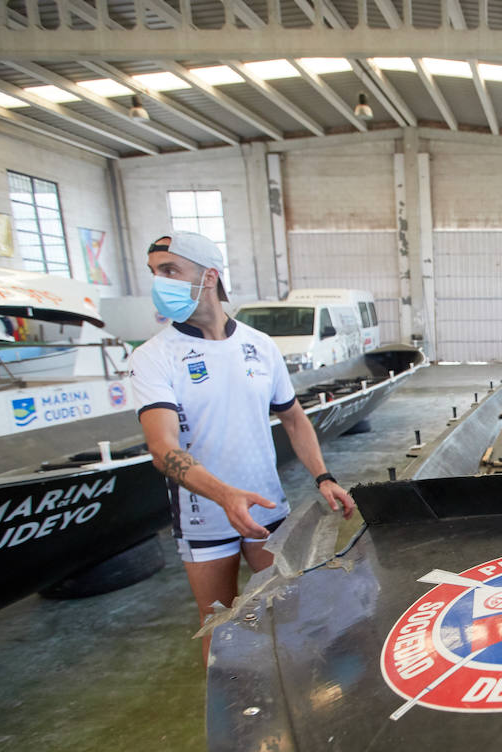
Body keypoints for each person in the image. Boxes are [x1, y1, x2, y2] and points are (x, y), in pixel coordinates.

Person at [129, 231, 355, 663]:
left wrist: (323, 476)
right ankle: (237, 711)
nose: (160, 281)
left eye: (170, 270)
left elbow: (293, 417)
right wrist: (224, 495)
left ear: (208, 276)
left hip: (266, 506)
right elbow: (162, 448)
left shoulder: (259, 345)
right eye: (155, 272)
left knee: (290, 607)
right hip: (205, 516)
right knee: (220, 621)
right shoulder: (155, 356)